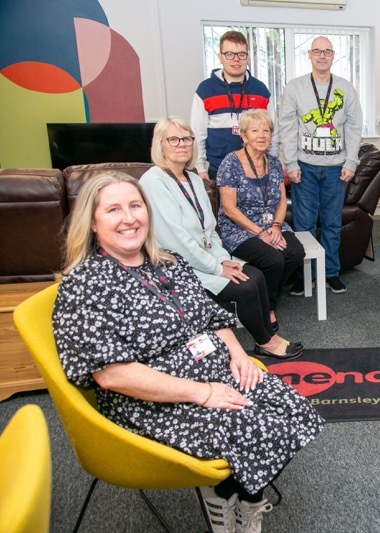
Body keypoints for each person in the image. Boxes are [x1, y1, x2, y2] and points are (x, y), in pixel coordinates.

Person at [52, 171, 324, 533]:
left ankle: (235, 495)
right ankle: (232, 501)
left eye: (135, 205)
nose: (129, 217)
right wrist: (204, 393)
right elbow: (112, 374)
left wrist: (238, 356)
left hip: (210, 369)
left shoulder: (168, 262)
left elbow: (211, 316)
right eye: (114, 210)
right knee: (254, 426)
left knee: (292, 407)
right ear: (93, 224)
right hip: (149, 398)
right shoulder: (85, 285)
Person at [140, 116, 303, 360]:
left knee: (256, 275)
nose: (182, 144)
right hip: (175, 265)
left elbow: (210, 230)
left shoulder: (194, 179)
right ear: (159, 144)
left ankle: (266, 335)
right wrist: (216, 267)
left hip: (205, 256)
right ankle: (265, 341)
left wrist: (223, 259)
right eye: (173, 139)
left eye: (187, 138)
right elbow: (177, 242)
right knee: (248, 286)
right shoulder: (153, 181)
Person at [278, 35, 363, 295]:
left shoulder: (346, 88)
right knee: (303, 223)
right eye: (317, 51)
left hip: (336, 168)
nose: (322, 55)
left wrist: (351, 161)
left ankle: (331, 273)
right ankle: (306, 276)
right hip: (304, 166)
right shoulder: (295, 87)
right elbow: (287, 127)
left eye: (327, 51)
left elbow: (354, 126)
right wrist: (291, 163)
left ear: (333, 55)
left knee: (331, 224)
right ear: (310, 55)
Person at [216, 109, 303, 325]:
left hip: (270, 224)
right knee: (273, 260)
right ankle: (268, 307)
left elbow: (282, 200)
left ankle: (265, 292)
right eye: (255, 131)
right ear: (244, 136)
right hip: (238, 227)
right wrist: (261, 233)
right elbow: (229, 209)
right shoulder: (230, 163)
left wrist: (275, 226)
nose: (262, 135)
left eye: (266, 130)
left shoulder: (274, 163)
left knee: (294, 253)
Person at [191, 30, 273, 180]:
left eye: (241, 54)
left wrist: (272, 163)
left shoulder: (261, 90)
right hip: (217, 170)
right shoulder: (205, 90)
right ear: (220, 57)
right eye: (229, 54)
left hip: (256, 170)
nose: (236, 59)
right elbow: (197, 133)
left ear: (247, 57)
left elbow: (273, 131)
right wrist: (200, 168)